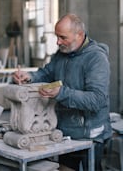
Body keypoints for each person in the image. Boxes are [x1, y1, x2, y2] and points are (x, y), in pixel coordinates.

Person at [12, 13, 112, 170]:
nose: (58, 42)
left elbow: (96, 100)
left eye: (63, 37)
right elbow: (47, 73)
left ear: (79, 35)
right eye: (57, 37)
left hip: (90, 132)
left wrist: (61, 93)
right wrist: (29, 77)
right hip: (65, 130)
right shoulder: (62, 54)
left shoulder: (96, 58)